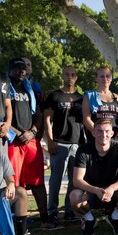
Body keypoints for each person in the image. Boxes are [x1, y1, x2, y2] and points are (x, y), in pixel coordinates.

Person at [7, 58, 54, 231]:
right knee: (15, 183)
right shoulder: (4, 87)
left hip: (31, 140)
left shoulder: (32, 88)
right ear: (10, 69)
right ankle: (18, 222)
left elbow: (40, 114)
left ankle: (45, 219)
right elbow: (1, 116)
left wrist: (33, 132)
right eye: (17, 67)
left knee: (37, 182)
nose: (21, 71)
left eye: (24, 67)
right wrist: (17, 133)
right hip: (13, 141)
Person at [70, 119, 118, 235]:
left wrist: (111, 189)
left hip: (113, 192)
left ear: (112, 133)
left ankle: (115, 217)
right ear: (93, 133)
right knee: (74, 196)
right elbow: (77, 180)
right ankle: (89, 220)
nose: (103, 135)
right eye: (99, 131)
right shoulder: (83, 150)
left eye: (107, 131)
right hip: (91, 192)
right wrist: (96, 190)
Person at [44, 65, 84, 224]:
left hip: (77, 144)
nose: (70, 77)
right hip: (59, 143)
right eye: (67, 74)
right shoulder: (54, 96)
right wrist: (50, 141)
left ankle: (70, 210)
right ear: (62, 75)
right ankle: (52, 211)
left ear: (76, 77)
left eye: (73, 74)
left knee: (74, 181)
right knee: (55, 180)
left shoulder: (82, 98)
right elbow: (47, 120)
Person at [81, 66, 118, 138]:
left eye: (108, 76)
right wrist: (100, 135)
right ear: (96, 78)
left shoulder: (117, 97)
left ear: (111, 78)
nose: (105, 79)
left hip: (114, 139)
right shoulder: (89, 96)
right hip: (96, 139)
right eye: (102, 76)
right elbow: (86, 119)